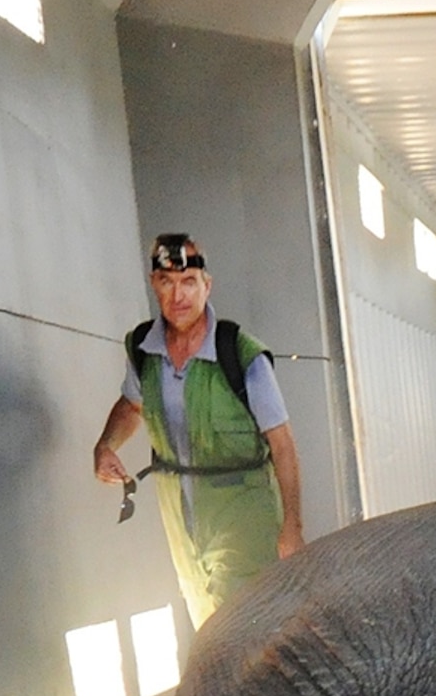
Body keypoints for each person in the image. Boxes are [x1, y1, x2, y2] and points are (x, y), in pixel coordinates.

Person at [93, 234, 305, 627]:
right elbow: (131, 405)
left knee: (244, 625)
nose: (179, 295)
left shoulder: (240, 353)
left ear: (207, 285)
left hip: (242, 510)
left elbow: (283, 443)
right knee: (206, 622)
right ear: (154, 284)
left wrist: (292, 527)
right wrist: (106, 445)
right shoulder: (144, 350)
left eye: (189, 281)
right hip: (180, 519)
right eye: (167, 283)